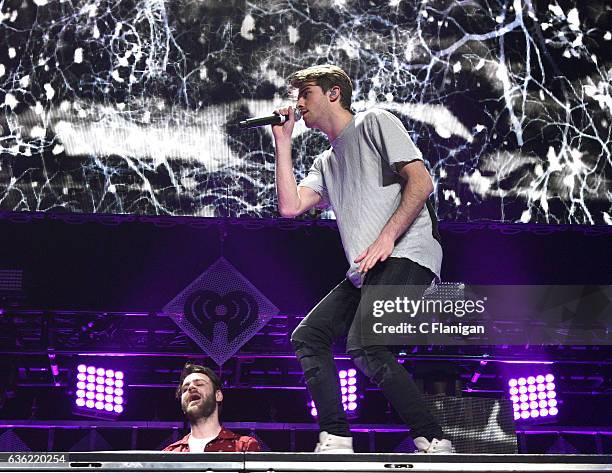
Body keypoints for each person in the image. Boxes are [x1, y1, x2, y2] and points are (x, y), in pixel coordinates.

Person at [272, 64, 452, 454]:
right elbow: (289, 206)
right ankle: (335, 436)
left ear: (333, 93)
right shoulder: (326, 162)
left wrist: (387, 237)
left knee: (367, 345)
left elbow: (422, 182)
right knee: (309, 335)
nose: (299, 103)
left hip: (407, 252)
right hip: (365, 269)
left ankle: (434, 439)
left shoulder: (375, 122)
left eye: (307, 94)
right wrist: (282, 143)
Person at [163, 363, 260, 452]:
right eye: (185, 389)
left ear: (218, 395)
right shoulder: (169, 453)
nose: (190, 388)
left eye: (199, 384)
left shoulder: (244, 446)